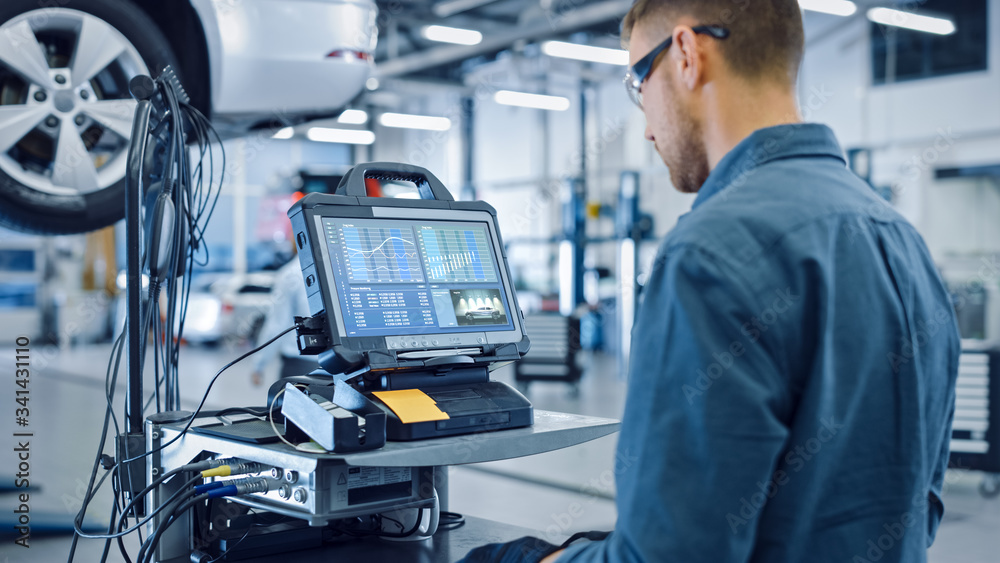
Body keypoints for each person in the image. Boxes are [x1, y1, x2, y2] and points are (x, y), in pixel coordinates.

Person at [461, 1, 959, 562]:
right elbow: (919, 509)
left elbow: (666, 556)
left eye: (637, 83)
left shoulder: (709, 253)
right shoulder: (904, 243)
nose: (646, 128)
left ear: (686, 54)